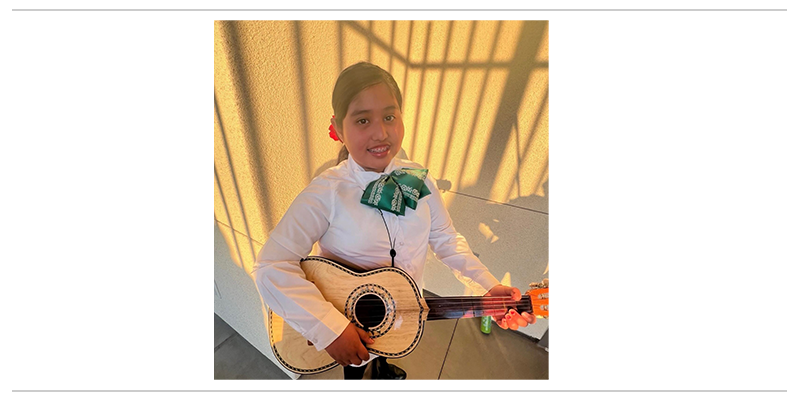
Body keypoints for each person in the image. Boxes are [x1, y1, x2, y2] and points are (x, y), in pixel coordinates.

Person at [252, 62, 534, 380]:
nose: (381, 133)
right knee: (356, 367)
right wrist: (328, 329)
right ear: (338, 128)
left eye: (389, 117)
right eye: (363, 120)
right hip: (347, 320)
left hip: (401, 311)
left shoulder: (416, 179)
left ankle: (384, 367)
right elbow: (270, 266)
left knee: (389, 346)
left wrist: (489, 286)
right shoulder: (326, 192)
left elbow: (445, 238)